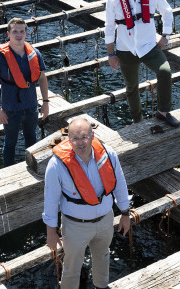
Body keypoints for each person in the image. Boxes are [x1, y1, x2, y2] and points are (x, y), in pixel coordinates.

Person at [43, 117, 130, 289]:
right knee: (72, 267)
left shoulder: (108, 154)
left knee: (103, 256)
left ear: (92, 136)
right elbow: (50, 201)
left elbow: (120, 183)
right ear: (69, 139)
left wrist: (125, 214)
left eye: (84, 137)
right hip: (75, 226)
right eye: (75, 138)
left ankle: (101, 285)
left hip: (105, 221)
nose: (80, 143)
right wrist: (51, 233)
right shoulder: (56, 165)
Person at [104, 0, 180, 127]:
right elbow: (109, 27)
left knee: (165, 72)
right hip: (125, 48)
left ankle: (163, 112)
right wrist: (111, 53)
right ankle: (137, 120)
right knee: (131, 87)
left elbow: (167, 12)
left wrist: (165, 35)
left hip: (148, 45)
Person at [0, 17, 50, 167]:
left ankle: (33, 168)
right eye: (15, 31)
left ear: (26, 34)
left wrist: (46, 102)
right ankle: (8, 171)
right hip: (10, 109)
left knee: (31, 139)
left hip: (31, 106)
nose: (18, 34)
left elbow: (42, 78)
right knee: (10, 143)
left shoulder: (35, 53)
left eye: (22, 31)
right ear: (8, 34)